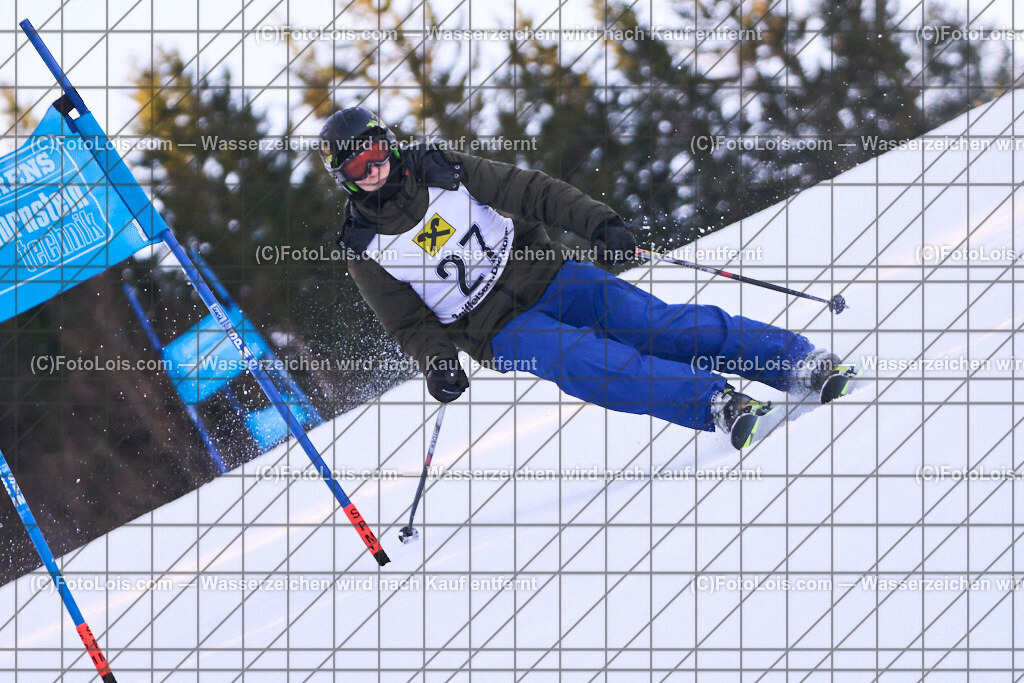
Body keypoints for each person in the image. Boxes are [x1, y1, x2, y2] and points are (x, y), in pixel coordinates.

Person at [319, 107, 851, 449]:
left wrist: (599, 223)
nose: (375, 170)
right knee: (588, 363)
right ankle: (713, 402)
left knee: (655, 325)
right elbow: (408, 324)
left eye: (377, 153)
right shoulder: (364, 248)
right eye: (358, 169)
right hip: (498, 329)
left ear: (389, 143)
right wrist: (438, 363)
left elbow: (531, 192)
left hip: (550, 273)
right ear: (344, 181)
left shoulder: (442, 168)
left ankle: (793, 361)